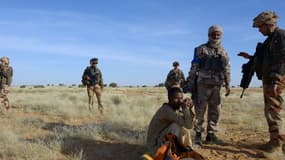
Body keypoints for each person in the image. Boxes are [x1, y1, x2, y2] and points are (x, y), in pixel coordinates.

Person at [238, 11, 285, 158]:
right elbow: (268, 59)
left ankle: (278, 147)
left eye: (260, 27)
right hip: (269, 79)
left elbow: (283, 58)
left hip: (275, 79)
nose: (259, 30)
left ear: (268, 24)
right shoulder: (270, 39)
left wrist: (277, 79)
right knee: (270, 111)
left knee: (274, 112)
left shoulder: (280, 36)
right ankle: (274, 142)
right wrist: (251, 57)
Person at [186, 25, 231, 146]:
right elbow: (194, 67)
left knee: (215, 110)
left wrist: (228, 85)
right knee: (200, 110)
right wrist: (190, 84)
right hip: (202, 85)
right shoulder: (200, 49)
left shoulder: (224, 52)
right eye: (213, 34)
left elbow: (227, 68)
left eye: (218, 34)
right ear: (209, 35)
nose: (216, 36)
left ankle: (211, 135)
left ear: (221, 35)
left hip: (217, 85)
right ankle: (198, 136)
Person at [146, 87, 195, 151]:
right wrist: (185, 108)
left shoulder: (175, 109)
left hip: (160, 140)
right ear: (169, 98)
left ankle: (186, 148)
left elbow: (189, 124)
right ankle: (176, 151)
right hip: (154, 146)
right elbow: (188, 125)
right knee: (177, 125)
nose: (180, 101)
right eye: (176, 98)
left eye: (181, 98)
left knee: (182, 123)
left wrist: (191, 107)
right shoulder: (167, 110)